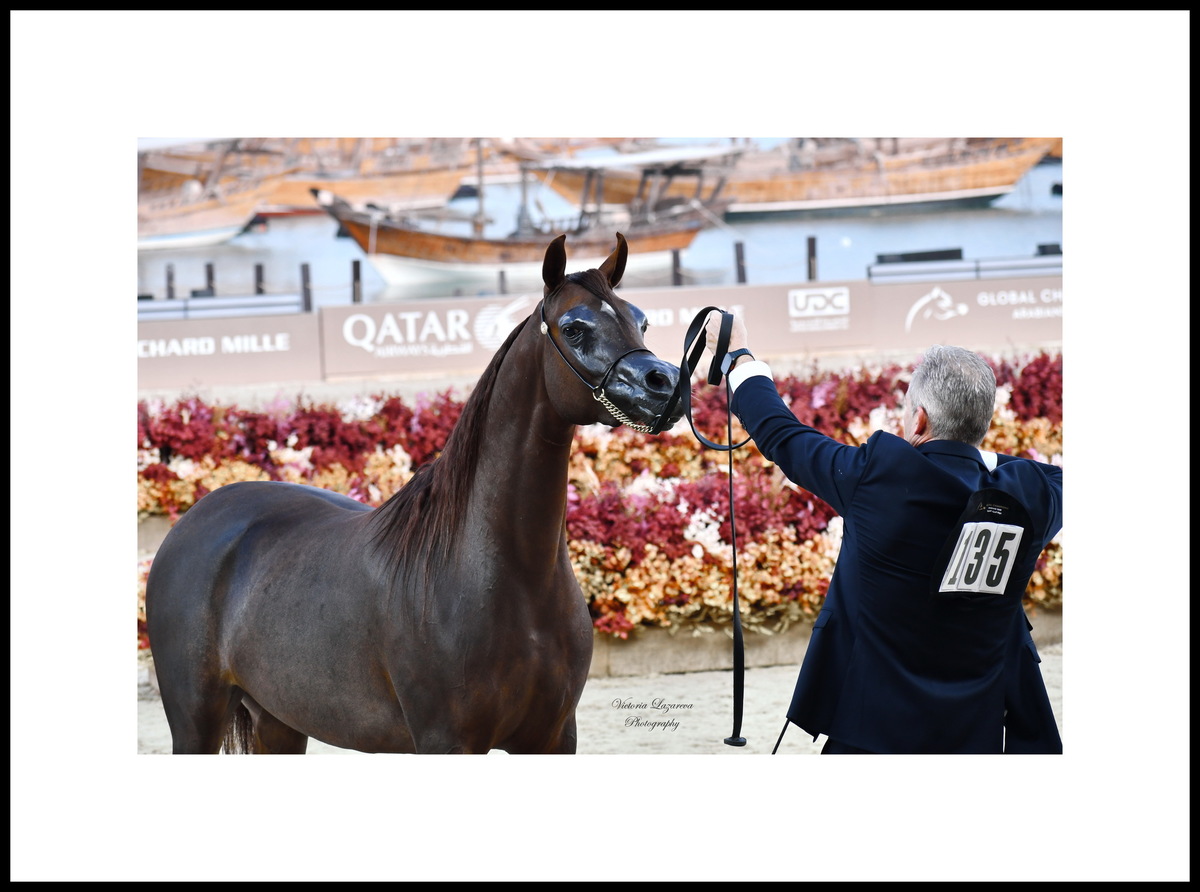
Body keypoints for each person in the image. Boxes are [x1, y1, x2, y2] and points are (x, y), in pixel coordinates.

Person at [705, 310, 1063, 754]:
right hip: (980, 728)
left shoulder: (878, 476)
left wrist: (740, 357)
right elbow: (1047, 475)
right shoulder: (1035, 497)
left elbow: (783, 434)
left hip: (871, 728)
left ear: (918, 421)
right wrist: (967, 449)